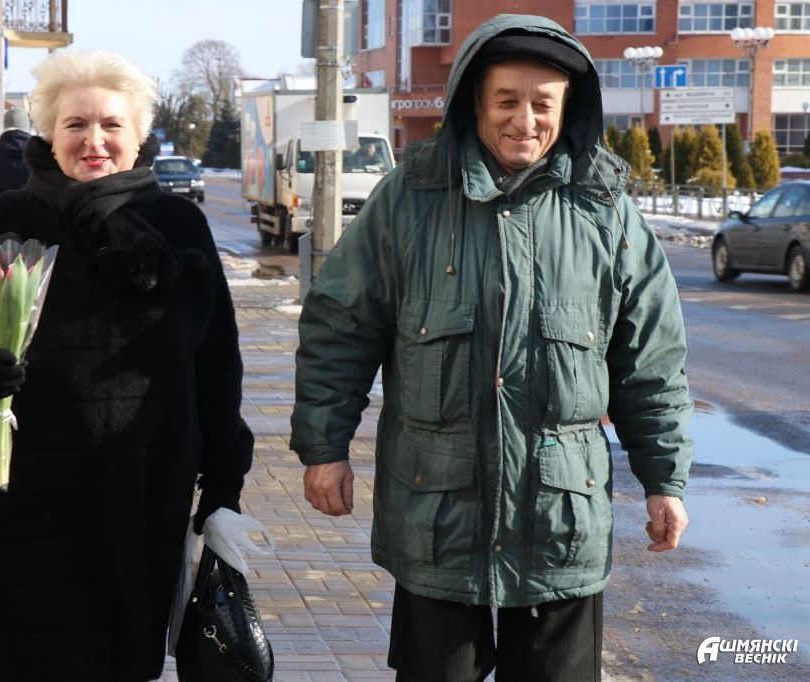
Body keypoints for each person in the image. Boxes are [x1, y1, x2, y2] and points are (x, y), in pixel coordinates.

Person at [290, 13, 694, 682]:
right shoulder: (409, 201)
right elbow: (340, 328)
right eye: (507, 100)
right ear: (473, 104)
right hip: (437, 517)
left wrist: (665, 481)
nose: (524, 120)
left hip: (560, 522)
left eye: (543, 104)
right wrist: (324, 447)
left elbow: (650, 362)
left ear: (568, 111)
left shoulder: (605, 213)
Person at [0, 49, 252, 681]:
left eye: (111, 124)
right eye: (75, 124)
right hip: (28, 498)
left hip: (146, 494)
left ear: (138, 135)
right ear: (50, 132)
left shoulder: (178, 224)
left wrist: (223, 485)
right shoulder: (12, 219)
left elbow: (216, 362)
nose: (93, 140)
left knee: (125, 664)